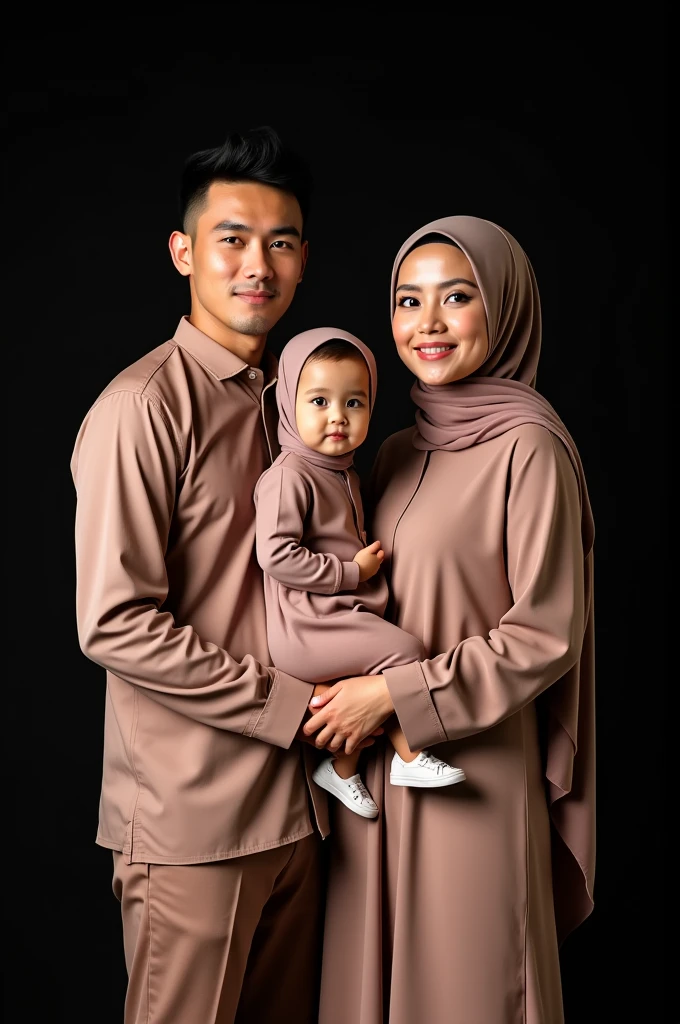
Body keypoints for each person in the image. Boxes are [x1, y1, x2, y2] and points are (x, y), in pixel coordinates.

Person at [70, 126, 364, 1024]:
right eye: (232, 239)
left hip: (304, 814)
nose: (256, 265)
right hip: (193, 825)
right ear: (183, 250)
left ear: (304, 259)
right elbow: (114, 622)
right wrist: (290, 706)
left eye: (280, 242)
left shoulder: (299, 401)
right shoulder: (141, 407)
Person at [305, 216, 596, 1024]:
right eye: (407, 300)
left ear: (501, 309)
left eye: (456, 297)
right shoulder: (392, 449)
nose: (426, 324)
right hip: (374, 780)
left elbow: (544, 632)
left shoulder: (530, 448)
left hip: (475, 772)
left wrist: (395, 695)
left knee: (467, 992)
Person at [254, 328, 466, 819]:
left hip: (335, 617)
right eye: (319, 401)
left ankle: (342, 769)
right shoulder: (289, 476)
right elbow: (276, 555)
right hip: (306, 628)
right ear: (289, 402)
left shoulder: (342, 471)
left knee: (375, 679)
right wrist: (353, 572)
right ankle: (409, 757)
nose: (337, 417)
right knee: (406, 652)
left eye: (354, 402)